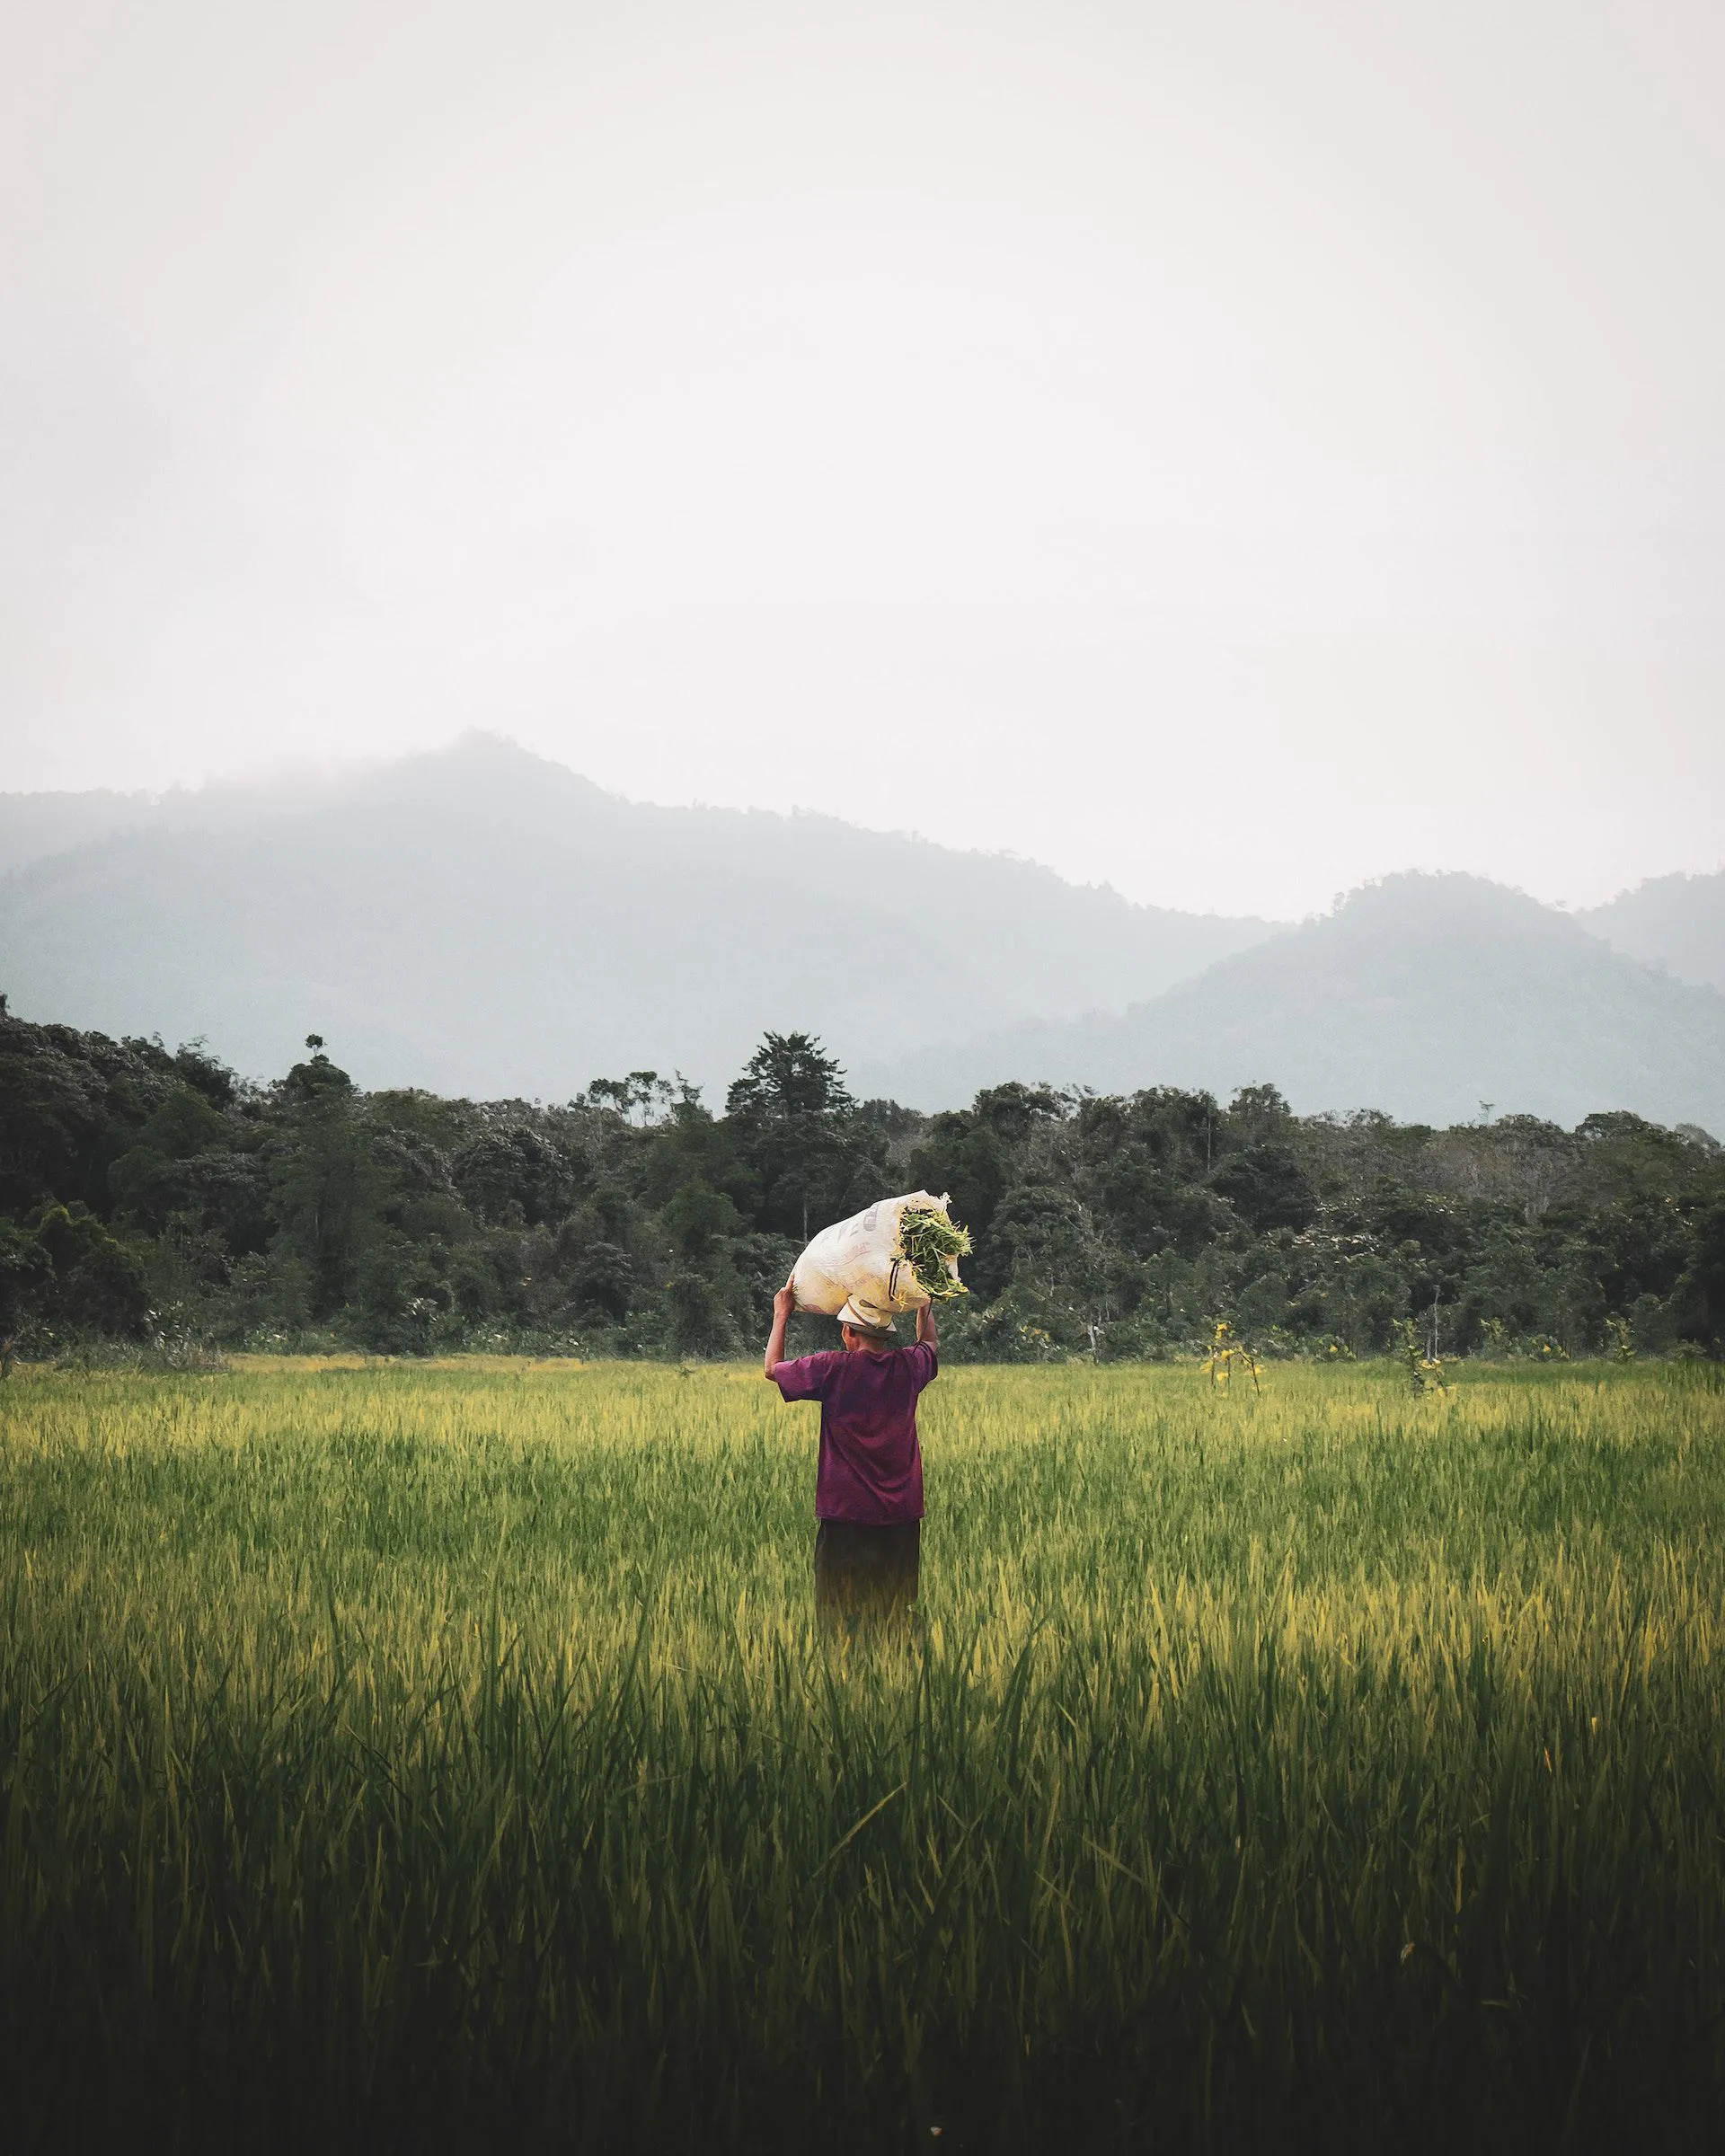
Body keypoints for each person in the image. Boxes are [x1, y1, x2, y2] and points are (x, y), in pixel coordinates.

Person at [763, 1273, 939, 1630]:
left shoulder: (832, 1369)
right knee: (895, 1613)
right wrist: (924, 1304)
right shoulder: (908, 1366)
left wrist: (781, 1313)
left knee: (839, 1614)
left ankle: (846, 1678)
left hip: (846, 1515)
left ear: (849, 1333)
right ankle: (903, 1676)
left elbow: (772, 1370)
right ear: (885, 1335)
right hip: (901, 1515)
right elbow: (930, 1343)